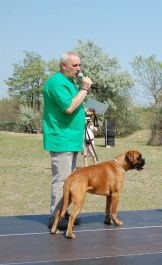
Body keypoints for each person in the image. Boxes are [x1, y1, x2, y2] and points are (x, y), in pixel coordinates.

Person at [43, 51, 93, 228]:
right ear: (63, 66)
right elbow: (69, 107)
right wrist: (85, 89)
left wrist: (85, 111)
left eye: (79, 65)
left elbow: (75, 105)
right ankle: (55, 217)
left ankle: (64, 213)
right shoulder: (56, 82)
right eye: (75, 65)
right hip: (61, 139)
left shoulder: (69, 82)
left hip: (71, 139)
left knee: (70, 180)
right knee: (62, 180)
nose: (79, 69)